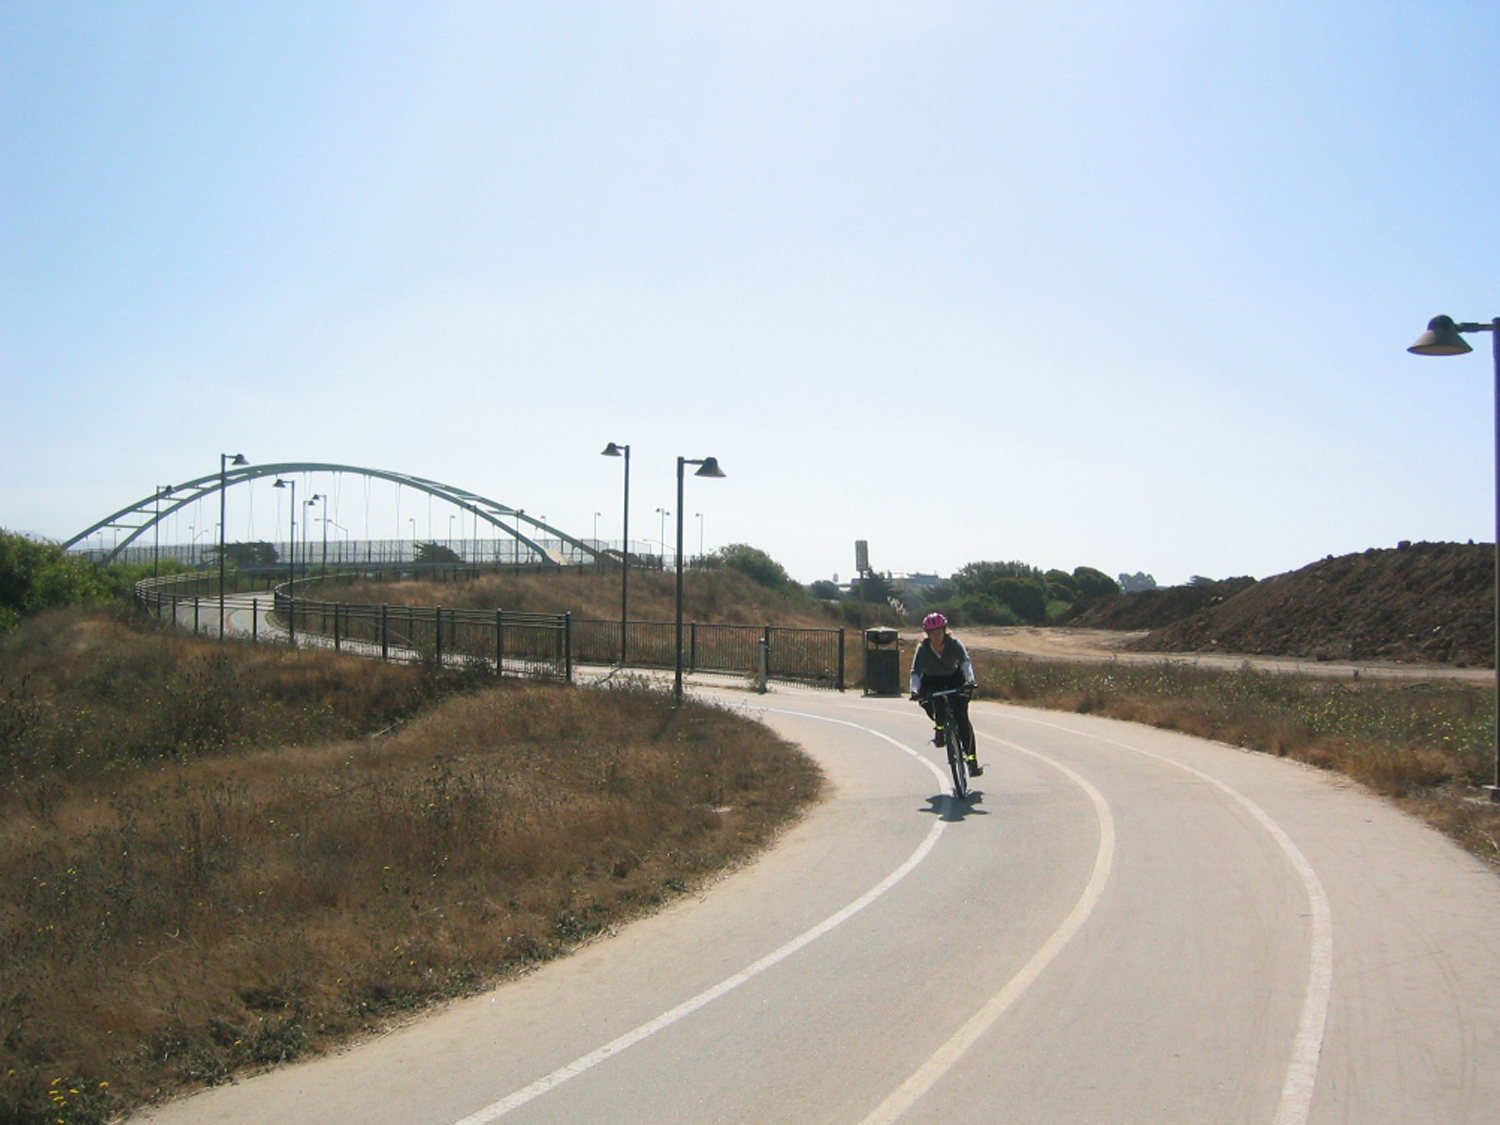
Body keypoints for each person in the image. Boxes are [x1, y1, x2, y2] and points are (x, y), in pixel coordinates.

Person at [908, 612, 982, 776]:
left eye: (939, 633)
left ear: (945, 631)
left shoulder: (954, 644)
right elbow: (916, 672)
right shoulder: (923, 649)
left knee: (961, 717)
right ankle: (940, 728)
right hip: (932, 681)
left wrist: (970, 681)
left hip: (955, 679)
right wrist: (914, 690)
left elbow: (965, 661)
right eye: (933, 634)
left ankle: (972, 761)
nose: (937, 636)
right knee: (933, 703)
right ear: (927, 635)